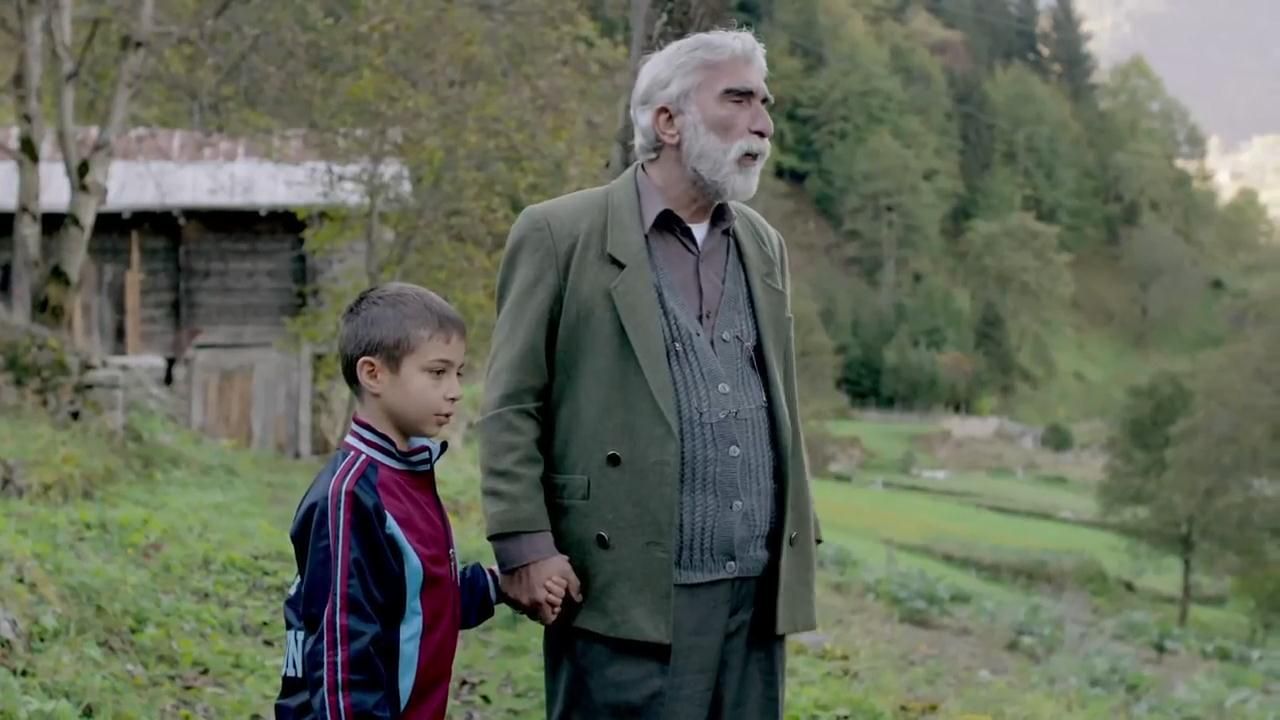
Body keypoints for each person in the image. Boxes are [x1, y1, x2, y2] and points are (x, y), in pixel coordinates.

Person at [479, 29, 821, 720]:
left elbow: (778, 400)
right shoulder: (559, 234)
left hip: (754, 599)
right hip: (621, 589)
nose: (763, 124)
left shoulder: (764, 244)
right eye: (738, 100)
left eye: (765, 104)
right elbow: (512, 403)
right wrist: (523, 545)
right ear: (668, 121)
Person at [274, 282, 568, 720]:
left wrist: (499, 585)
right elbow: (342, 658)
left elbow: (418, 601)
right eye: (437, 372)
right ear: (373, 374)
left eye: (458, 373)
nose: (455, 390)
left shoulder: (410, 473)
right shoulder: (351, 497)